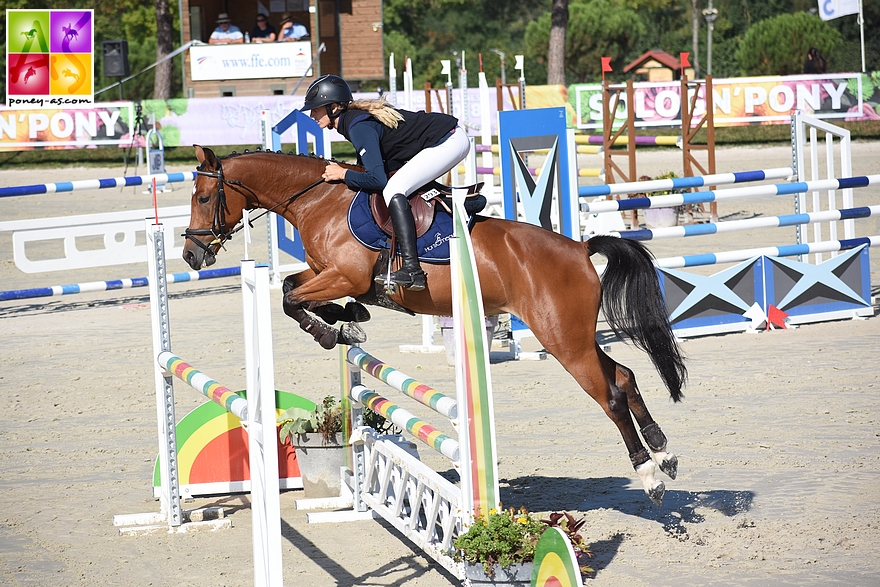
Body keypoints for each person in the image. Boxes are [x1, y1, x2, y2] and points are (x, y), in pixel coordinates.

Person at [301, 74, 470, 292]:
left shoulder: (357, 126)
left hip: (449, 141)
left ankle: (412, 269)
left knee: (394, 188)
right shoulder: (352, 121)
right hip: (443, 139)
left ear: (334, 107)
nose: (313, 115)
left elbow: (377, 179)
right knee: (400, 180)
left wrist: (343, 175)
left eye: (316, 109)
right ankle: (464, 203)